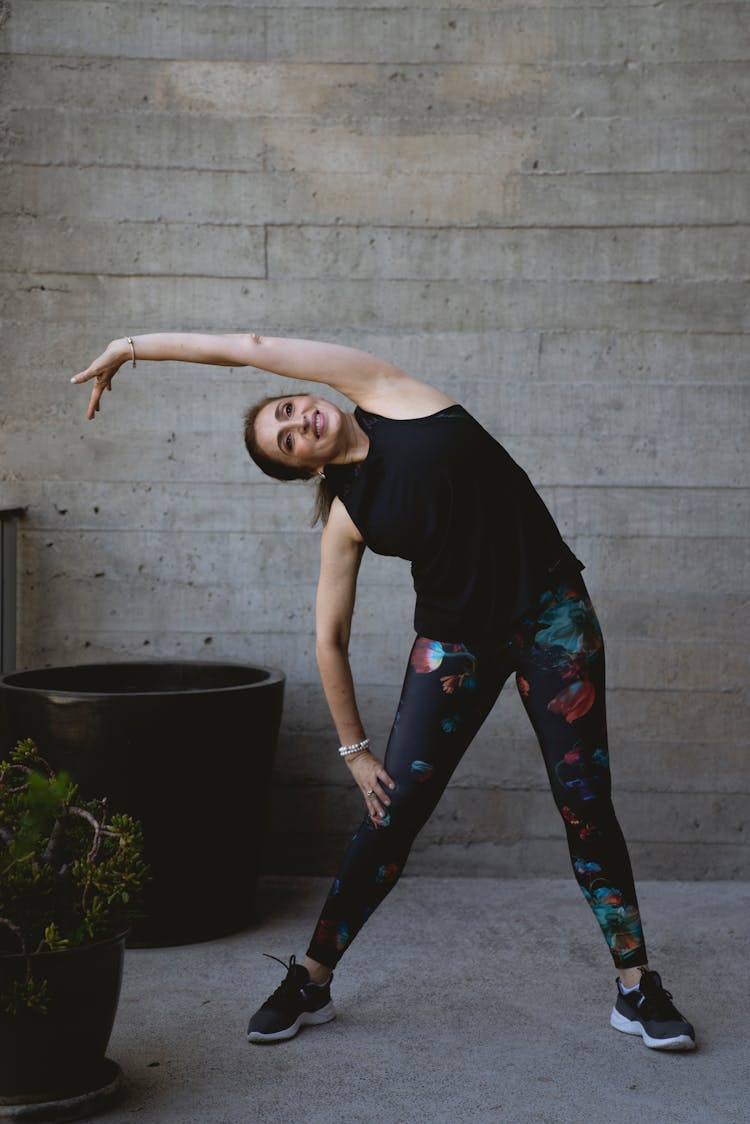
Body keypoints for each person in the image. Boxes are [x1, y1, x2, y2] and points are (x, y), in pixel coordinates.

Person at [73, 333, 695, 1051]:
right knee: (389, 816)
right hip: (455, 643)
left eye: (287, 407)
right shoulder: (348, 518)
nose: (297, 421)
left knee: (585, 803)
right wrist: (355, 751)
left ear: (308, 395)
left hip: (553, 616)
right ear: (299, 469)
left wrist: (132, 347)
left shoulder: (389, 394)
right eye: (284, 440)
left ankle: (636, 986)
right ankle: (310, 979)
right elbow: (327, 641)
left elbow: (248, 345)